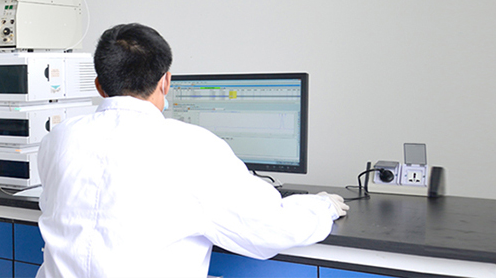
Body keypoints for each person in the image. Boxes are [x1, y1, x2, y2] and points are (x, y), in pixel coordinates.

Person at [36, 23, 348, 278]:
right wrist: (323, 207)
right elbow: (270, 228)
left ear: (99, 85)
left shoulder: (58, 139)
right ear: (166, 82)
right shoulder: (191, 146)